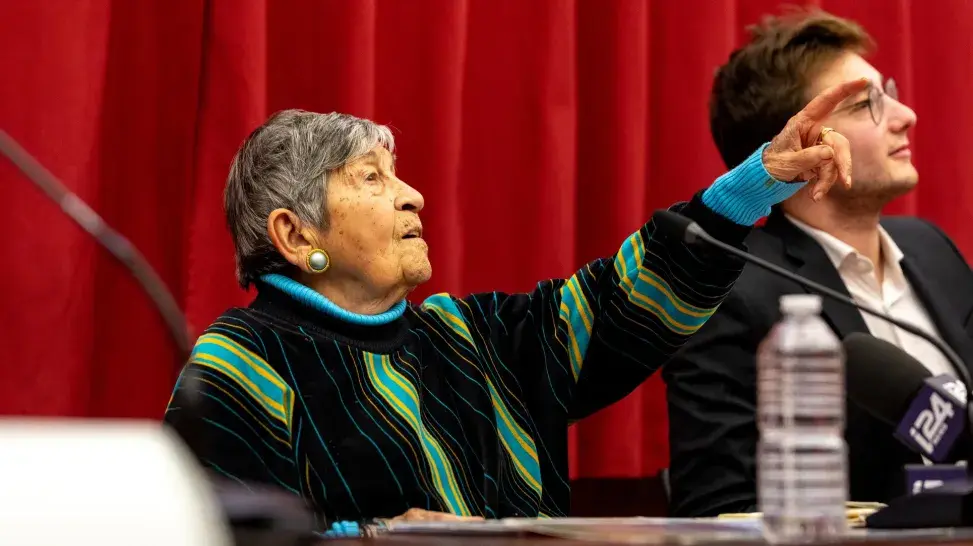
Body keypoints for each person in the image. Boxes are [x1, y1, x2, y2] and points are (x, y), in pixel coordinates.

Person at [164, 84, 862, 530]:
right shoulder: (245, 361)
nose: (412, 196)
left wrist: (756, 183)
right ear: (294, 233)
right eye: (371, 179)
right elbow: (212, 528)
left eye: (399, 175)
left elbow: (623, 300)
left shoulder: (471, 337)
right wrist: (372, 538)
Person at [664, 9, 973, 517]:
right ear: (802, 148)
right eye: (865, 104)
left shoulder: (931, 250)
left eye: (888, 91)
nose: (905, 115)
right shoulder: (732, 293)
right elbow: (718, 508)